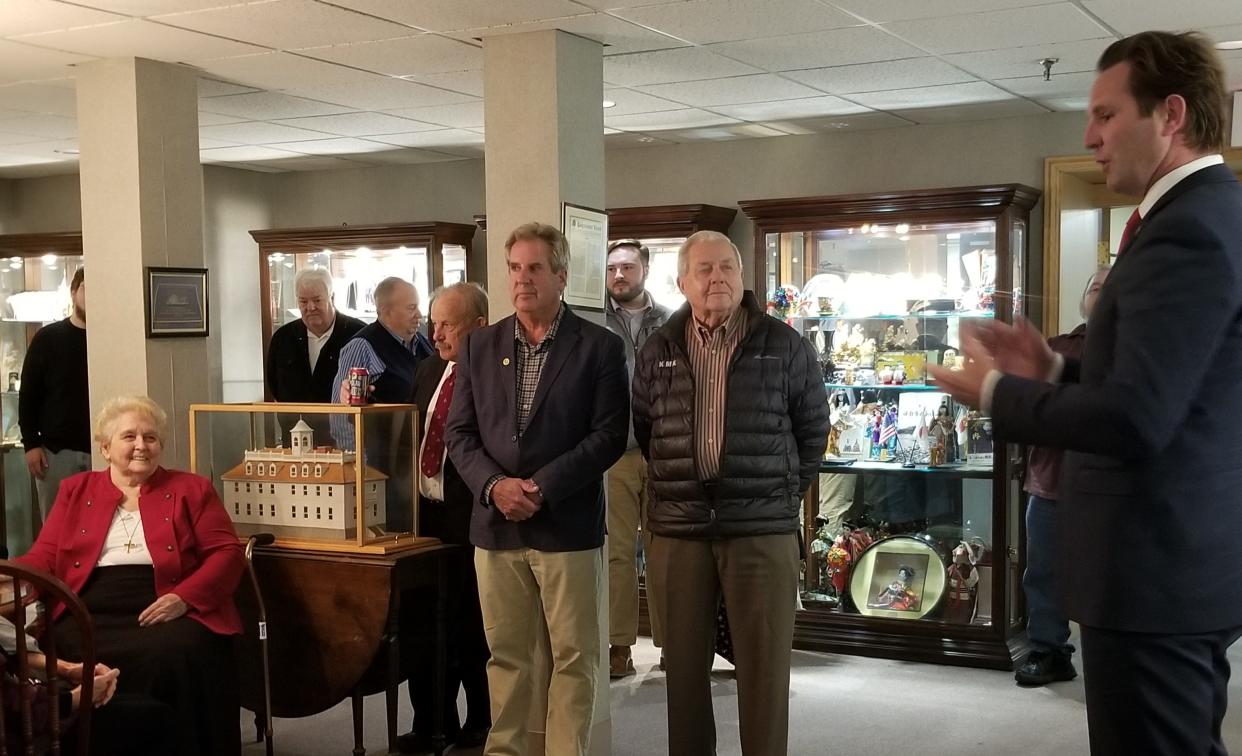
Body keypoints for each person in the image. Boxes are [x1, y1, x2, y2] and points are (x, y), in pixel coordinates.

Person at [929, 31, 1242, 755]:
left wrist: (1000, 392)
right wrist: (1055, 372)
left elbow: (1137, 418)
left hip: (1155, 574)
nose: (1089, 135)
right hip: (1170, 566)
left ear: (1170, 114)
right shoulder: (1196, 216)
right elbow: (1169, 389)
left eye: (1105, 114)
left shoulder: (1188, 228)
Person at [632, 230, 829, 756]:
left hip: (761, 530)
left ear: (742, 279)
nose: (717, 278)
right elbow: (648, 430)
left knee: (764, 672)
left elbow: (813, 433)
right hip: (679, 530)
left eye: (727, 268)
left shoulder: (785, 345)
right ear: (682, 282)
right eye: (704, 269)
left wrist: (781, 494)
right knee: (684, 675)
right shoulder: (658, 349)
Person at [445, 222, 628, 756]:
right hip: (495, 526)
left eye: (535, 268)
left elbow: (609, 437)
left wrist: (541, 488)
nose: (522, 280)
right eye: (514, 268)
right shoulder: (480, 345)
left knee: (573, 657)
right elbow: (460, 434)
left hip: (566, 525)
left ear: (562, 276)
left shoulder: (599, 347)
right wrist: (496, 486)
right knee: (506, 656)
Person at [17, 395, 246, 756]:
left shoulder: (192, 489)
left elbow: (227, 554)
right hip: (88, 602)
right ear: (106, 448)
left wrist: (185, 598)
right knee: (68, 647)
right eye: (129, 437)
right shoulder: (75, 490)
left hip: (168, 600)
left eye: (150, 438)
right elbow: (44, 554)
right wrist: (13, 578)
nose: (141, 445)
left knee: (176, 653)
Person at [397, 282, 491, 754]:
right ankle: (432, 722)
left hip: (471, 518)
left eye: (446, 324)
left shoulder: (494, 373)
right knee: (422, 625)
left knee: (471, 625)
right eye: (432, 323)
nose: (435, 334)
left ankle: (481, 722)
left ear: (478, 325)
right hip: (426, 519)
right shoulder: (427, 368)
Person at [1015, 267, 1109, 687]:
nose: (1101, 290)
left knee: (1108, 576)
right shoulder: (1057, 346)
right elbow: (1031, 410)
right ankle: (1049, 651)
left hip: (1111, 489)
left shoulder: (1137, 348)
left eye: (1112, 284)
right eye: (1094, 285)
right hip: (1051, 480)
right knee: (1043, 572)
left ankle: (1112, 660)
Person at [603, 239, 672, 678]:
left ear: (645, 269)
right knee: (617, 554)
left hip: (666, 452)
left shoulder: (673, 321)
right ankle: (618, 645)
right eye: (612, 269)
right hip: (616, 452)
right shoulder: (594, 321)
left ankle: (673, 643)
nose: (619, 276)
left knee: (667, 552)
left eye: (628, 267)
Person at [331, 276, 433, 532]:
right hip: (381, 468)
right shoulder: (362, 346)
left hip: (418, 466)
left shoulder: (422, 344)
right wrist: (362, 470)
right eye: (411, 308)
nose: (419, 314)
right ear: (386, 311)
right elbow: (340, 415)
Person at [19, 267, 90, 522]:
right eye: (86, 288)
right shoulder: (47, 339)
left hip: (104, 450)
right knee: (57, 528)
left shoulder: (113, 340)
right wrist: (31, 444)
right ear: (74, 292)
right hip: (56, 454)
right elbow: (28, 395)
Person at [265, 267, 365, 440]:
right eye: (303, 302)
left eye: (317, 300)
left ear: (332, 298)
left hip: (346, 442)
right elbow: (274, 385)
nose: (310, 307)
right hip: (295, 441)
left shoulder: (359, 335)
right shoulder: (283, 338)